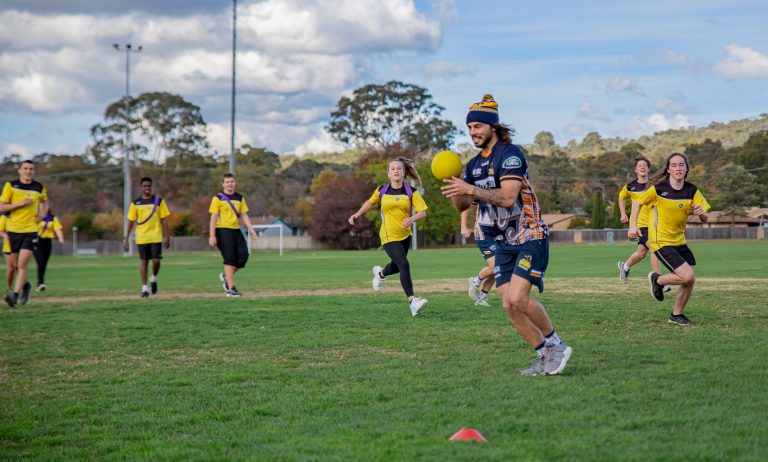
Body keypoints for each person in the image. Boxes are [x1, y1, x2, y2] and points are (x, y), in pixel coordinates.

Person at [441, 94, 572, 375]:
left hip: (528, 235)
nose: (473, 132)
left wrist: (469, 189)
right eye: (469, 128)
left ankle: (557, 344)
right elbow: (464, 204)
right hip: (502, 243)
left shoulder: (511, 155)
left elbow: (509, 197)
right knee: (508, 306)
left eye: (477, 126)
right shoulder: (473, 165)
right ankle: (544, 354)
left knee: (519, 300)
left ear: (492, 127)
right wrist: (455, 186)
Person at [628, 152, 710, 325]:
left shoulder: (691, 190)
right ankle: (657, 280)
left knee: (689, 280)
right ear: (668, 169)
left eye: (681, 165)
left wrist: (702, 214)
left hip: (679, 241)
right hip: (660, 241)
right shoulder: (658, 189)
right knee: (687, 276)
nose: (678, 168)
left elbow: (705, 217)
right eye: (674, 165)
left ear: (686, 168)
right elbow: (637, 203)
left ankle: (676, 315)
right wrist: (632, 225)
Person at [348, 157, 429, 316]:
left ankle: (380, 274)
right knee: (404, 265)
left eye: (399, 168)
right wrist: (358, 214)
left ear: (404, 172)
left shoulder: (411, 192)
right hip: (388, 234)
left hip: (405, 235)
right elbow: (370, 202)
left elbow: (422, 212)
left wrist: (412, 219)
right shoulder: (382, 191)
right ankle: (413, 302)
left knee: (397, 267)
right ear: (388, 174)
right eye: (392, 169)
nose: (396, 171)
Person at [0, 160, 48, 307]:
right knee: (14, 266)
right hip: (14, 230)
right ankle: (26, 286)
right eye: (26, 168)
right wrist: (20, 204)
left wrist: (42, 215)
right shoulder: (11, 185)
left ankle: (14, 295)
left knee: (22, 264)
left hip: (31, 230)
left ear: (34, 171)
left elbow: (45, 203)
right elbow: (2, 207)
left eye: (31, 169)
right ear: (20, 170)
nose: (28, 171)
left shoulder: (39, 187)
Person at [616, 156, 665, 285]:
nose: (642, 167)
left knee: (641, 253)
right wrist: (622, 214)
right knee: (655, 248)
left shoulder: (655, 185)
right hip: (640, 224)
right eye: (639, 165)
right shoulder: (630, 186)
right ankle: (659, 281)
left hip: (654, 223)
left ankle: (624, 267)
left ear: (648, 169)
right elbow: (621, 197)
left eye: (645, 165)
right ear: (636, 170)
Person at [208, 173, 258, 297]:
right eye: (227, 182)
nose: (230, 184)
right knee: (230, 259)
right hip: (222, 230)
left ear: (235, 183)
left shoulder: (239, 198)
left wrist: (251, 229)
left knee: (244, 256)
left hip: (236, 230)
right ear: (223, 184)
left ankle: (226, 276)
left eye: (232, 181)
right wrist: (212, 235)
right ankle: (231, 289)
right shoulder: (217, 198)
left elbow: (244, 214)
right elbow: (213, 217)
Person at [124, 177, 171, 298]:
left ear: (151, 187)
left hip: (156, 236)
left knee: (156, 261)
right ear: (141, 188)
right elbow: (130, 221)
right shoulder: (135, 203)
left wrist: (167, 237)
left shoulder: (159, 201)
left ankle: (154, 278)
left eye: (149, 186)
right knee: (143, 261)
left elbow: (164, 220)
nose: (147, 188)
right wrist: (127, 239)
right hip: (141, 237)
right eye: (145, 186)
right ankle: (144, 289)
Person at [461, 206, 495, 307]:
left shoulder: (505, 191)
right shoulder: (481, 190)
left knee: (499, 269)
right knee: (496, 265)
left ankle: (481, 299)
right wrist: (463, 227)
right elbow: (466, 206)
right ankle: (476, 281)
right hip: (483, 233)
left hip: (499, 233)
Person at [33, 209, 65, 292]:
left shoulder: (52, 218)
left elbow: (57, 229)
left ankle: (40, 283)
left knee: (44, 264)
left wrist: (61, 238)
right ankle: (40, 283)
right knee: (40, 263)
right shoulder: (35, 216)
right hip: (37, 242)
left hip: (48, 242)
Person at [0, 213, 16, 295]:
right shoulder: (5, 216)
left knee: (19, 268)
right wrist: (8, 237)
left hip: (21, 245)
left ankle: (21, 289)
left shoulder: (22, 214)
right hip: (8, 247)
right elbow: (1, 231)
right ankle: (9, 289)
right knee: (11, 269)